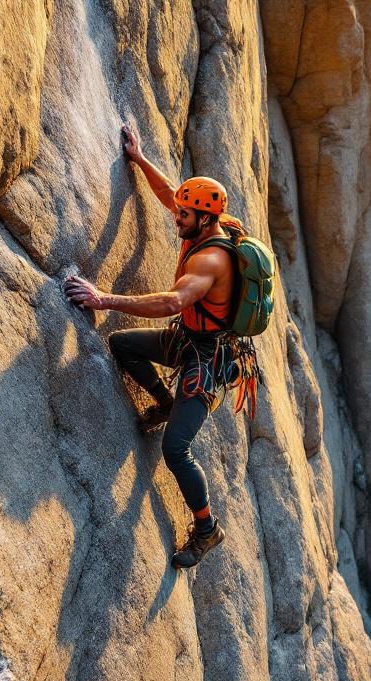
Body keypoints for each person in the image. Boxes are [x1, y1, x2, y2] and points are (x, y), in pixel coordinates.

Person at [64, 124, 245, 569]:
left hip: (205, 361)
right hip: (187, 341)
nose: (175, 216)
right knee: (122, 345)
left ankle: (207, 529)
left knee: (175, 450)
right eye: (180, 211)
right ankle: (164, 403)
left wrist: (103, 299)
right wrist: (140, 159)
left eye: (184, 215)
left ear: (204, 220)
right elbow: (171, 196)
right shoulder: (205, 225)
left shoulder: (210, 259)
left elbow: (172, 301)